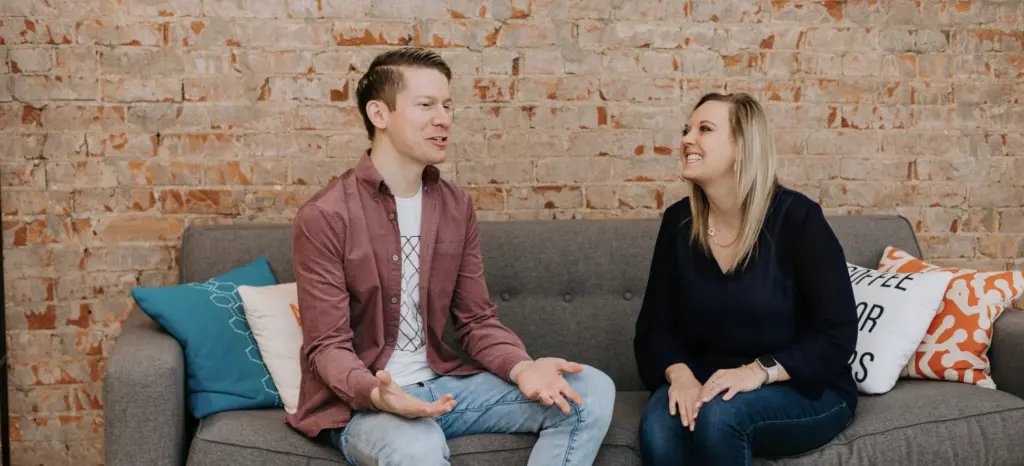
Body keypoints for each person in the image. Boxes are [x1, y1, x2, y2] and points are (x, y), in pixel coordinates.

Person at [285, 47, 616, 466]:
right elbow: (327, 346)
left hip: (444, 386)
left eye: (447, 105)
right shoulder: (325, 216)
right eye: (426, 105)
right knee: (415, 445)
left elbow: (476, 320)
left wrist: (522, 368)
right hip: (363, 405)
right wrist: (379, 395)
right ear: (379, 115)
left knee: (591, 389)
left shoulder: (456, 206)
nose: (443, 118)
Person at [633, 92, 859, 465]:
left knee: (721, 418)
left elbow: (836, 334)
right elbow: (653, 329)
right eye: (686, 130)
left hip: (801, 386)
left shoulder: (798, 219)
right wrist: (680, 376)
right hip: (709, 379)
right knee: (660, 427)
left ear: (742, 147)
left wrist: (758, 372)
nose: (687, 139)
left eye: (704, 129)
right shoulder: (679, 223)